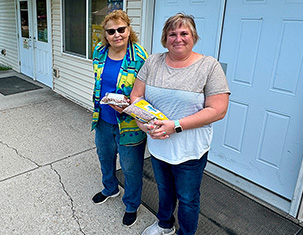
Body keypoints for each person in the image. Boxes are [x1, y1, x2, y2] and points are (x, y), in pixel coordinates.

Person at [131, 13, 230, 235]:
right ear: (164, 38)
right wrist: (143, 124)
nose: (178, 38)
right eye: (172, 33)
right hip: (158, 145)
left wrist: (175, 125)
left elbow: (218, 109)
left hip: (190, 150)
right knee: (164, 190)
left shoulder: (208, 66)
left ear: (193, 36)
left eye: (184, 33)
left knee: (187, 198)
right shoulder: (153, 62)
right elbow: (136, 97)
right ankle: (165, 224)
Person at [91, 10, 148, 227]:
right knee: (105, 157)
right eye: (111, 31)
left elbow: (146, 93)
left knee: (130, 167)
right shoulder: (99, 52)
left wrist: (128, 104)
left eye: (121, 29)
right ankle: (110, 188)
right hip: (103, 119)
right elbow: (99, 82)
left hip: (130, 124)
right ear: (105, 34)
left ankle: (132, 204)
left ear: (129, 30)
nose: (117, 35)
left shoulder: (140, 57)